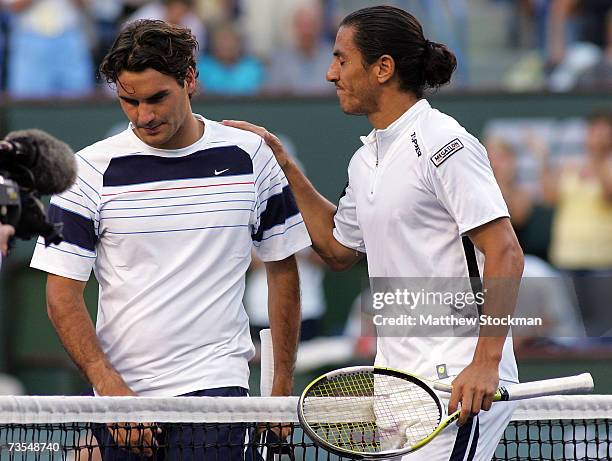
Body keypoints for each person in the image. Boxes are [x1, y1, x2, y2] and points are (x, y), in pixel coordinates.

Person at [225, 6, 524, 460]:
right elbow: (338, 248)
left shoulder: (445, 143)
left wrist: (485, 364)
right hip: (396, 384)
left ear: (383, 68)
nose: (330, 73)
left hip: (456, 382)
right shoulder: (365, 159)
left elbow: (506, 253)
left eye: (342, 60)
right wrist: (284, 164)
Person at [30, 19, 310, 460]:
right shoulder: (84, 171)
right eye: (129, 101)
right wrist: (110, 390)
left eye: (157, 98)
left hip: (217, 390)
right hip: (120, 401)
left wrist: (280, 390)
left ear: (190, 80)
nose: (144, 116)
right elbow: (61, 296)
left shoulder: (251, 155)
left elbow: (282, 270)